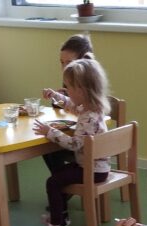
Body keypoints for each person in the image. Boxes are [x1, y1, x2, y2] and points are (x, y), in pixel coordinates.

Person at [34, 58, 111, 226]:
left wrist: (50, 132)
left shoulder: (88, 118)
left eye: (68, 87)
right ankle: (59, 216)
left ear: (81, 90)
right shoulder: (93, 109)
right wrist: (56, 96)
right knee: (58, 175)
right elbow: (72, 105)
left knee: (53, 182)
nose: (66, 90)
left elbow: (74, 144)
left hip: (92, 170)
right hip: (97, 167)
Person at [43, 34, 95, 174]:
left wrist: (62, 99)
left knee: (49, 145)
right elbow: (69, 107)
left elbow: (79, 110)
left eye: (69, 62)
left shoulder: (90, 85)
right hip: (78, 134)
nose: (65, 67)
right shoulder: (71, 79)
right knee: (48, 144)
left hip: (84, 144)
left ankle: (61, 180)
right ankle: (61, 179)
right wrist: (56, 97)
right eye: (62, 62)